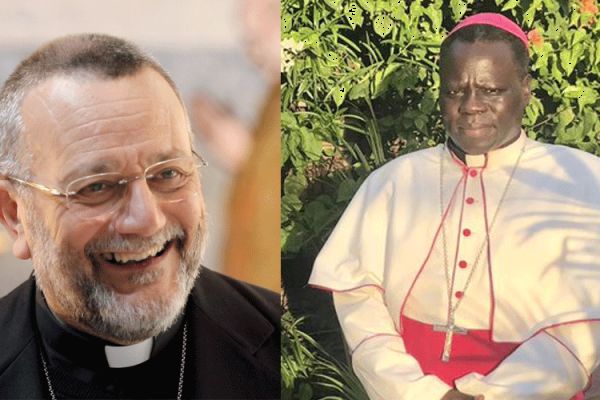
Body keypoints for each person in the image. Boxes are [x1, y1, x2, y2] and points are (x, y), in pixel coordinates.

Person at [309, 13, 600, 400]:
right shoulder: (397, 180)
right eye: (454, 90)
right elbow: (359, 304)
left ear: (525, 90)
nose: (470, 106)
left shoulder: (580, 180)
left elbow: (584, 326)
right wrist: (420, 393)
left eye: (492, 90)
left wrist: (493, 395)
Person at [0, 34, 280, 399]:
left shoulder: (288, 347)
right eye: (97, 187)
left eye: (168, 174)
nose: (147, 220)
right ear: (14, 214)